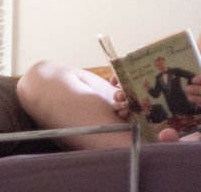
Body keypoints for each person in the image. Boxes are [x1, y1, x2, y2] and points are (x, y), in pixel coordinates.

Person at [17, 58, 201, 149]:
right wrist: (134, 91)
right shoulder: (164, 74)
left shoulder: (177, 72)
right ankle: (151, 154)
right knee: (41, 75)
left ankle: (161, 157)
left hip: (189, 133)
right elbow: (156, 93)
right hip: (158, 127)